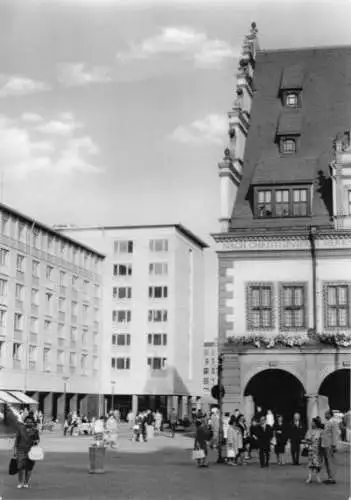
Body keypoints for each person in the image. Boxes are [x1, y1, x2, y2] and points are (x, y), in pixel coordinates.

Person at [14, 412, 40, 489]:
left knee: (29, 468)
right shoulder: (20, 429)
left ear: (33, 422)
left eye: (30, 422)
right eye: (27, 421)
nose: (29, 423)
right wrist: (15, 451)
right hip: (21, 450)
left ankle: (26, 483)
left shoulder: (35, 430)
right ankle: (20, 482)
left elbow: (38, 439)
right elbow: (17, 440)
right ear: (25, 421)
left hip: (31, 451)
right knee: (20, 467)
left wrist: (36, 442)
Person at [320, 410, 338, 484]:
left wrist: (334, 445)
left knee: (330, 461)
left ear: (330, 414)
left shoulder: (333, 422)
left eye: (326, 414)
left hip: (330, 445)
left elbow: (334, 434)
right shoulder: (327, 421)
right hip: (325, 444)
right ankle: (329, 477)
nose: (325, 415)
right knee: (327, 462)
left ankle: (332, 478)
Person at [303, 417, 323, 484]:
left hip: (318, 450)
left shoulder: (320, 431)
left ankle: (318, 477)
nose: (312, 423)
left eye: (313, 422)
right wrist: (307, 445)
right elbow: (306, 440)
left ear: (316, 423)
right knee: (310, 464)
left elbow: (323, 441)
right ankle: (309, 477)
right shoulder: (309, 431)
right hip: (311, 449)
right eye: (312, 422)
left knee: (318, 464)